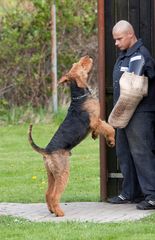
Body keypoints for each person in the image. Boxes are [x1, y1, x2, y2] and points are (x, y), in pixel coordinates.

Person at [108, 20, 155, 210]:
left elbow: (136, 88)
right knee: (124, 153)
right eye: (114, 39)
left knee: (141, 153)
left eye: (119, 39)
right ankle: (130, 193)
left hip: (139, 114)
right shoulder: (125, 55)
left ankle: (152, 196)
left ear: (130, 35)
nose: (116, 43)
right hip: (125, 114)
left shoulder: (140, 55)